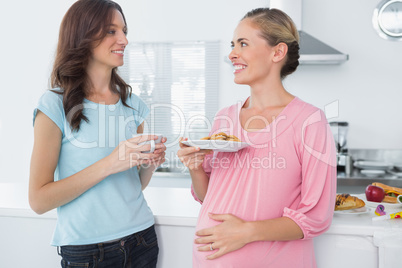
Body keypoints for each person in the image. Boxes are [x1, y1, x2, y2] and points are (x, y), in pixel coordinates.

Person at [177, 8, 337, 268]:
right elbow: (211, 198)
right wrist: (195, 168)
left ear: (277, 52)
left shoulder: (310, 121)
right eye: (233, 45)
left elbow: (316, 216)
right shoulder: (225, 118)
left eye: (243, 43)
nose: (232, 54)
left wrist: (247, 232)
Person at [29, 0, 166, 267]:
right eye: (111, 31)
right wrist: (109, 164)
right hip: (89, 252)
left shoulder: (133, 104)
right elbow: (39, 200)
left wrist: (149, 165)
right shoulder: (54, 104)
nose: (124, 39)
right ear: (83, 36)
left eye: (124, 30)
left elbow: (132, 185)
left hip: (142, 241)